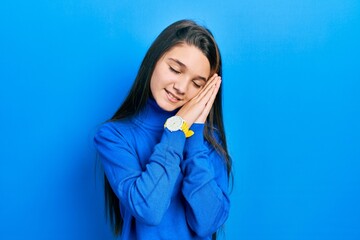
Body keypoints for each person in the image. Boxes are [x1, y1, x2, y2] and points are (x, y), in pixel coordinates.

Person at [94, 19, 232, 240]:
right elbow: (149, 209)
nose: (181, 87)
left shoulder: (208, 139)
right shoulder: (113, 136)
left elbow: (208, 223)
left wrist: (193, 134)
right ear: (154, 60)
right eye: (175, 69)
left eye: (197, 84)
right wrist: (175, 131)